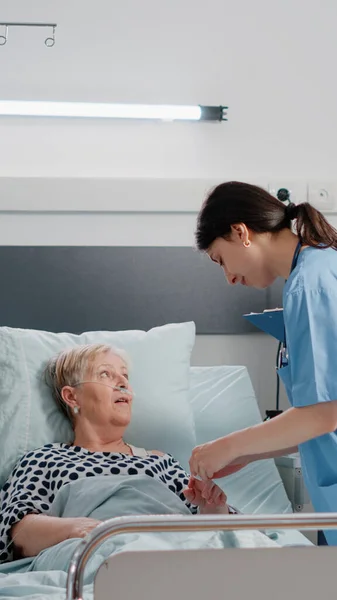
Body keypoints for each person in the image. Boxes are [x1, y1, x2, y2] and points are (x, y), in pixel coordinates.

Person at [189, 181, 337, 545]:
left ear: (241, 233)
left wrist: (228, 446)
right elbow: (315, 423)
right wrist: (249, 454)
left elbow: (324, 413)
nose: (228, 277)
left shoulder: (312, 284)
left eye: (221, 260)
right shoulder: (310, 275)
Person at [0, 343, 236, 563]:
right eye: (105, 374)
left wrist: (213, 508)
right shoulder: (44, 460)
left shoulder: (159, 461)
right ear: (72, 396)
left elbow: (217, 533)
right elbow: (16, 532)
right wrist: (84, 530)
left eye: (125, 375)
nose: (123, 382)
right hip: (100, 556)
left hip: (177, 553)